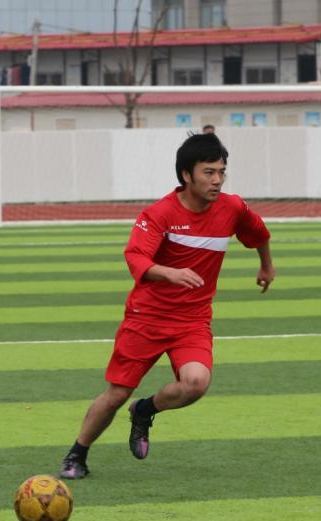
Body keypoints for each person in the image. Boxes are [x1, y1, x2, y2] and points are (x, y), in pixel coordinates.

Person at [59, 132, 274, 480]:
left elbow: (259, 233)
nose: (217, 180)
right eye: (208, 172)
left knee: (196, 383)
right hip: (147, 317)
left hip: (192, 321)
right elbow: (135, 256)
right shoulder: (159, 213)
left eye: (221, 172)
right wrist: (169, 273)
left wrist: (266, 266)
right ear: (187, 175)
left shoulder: (232, 207)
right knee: (117, 393)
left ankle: (144, 411)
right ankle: (77, 453)